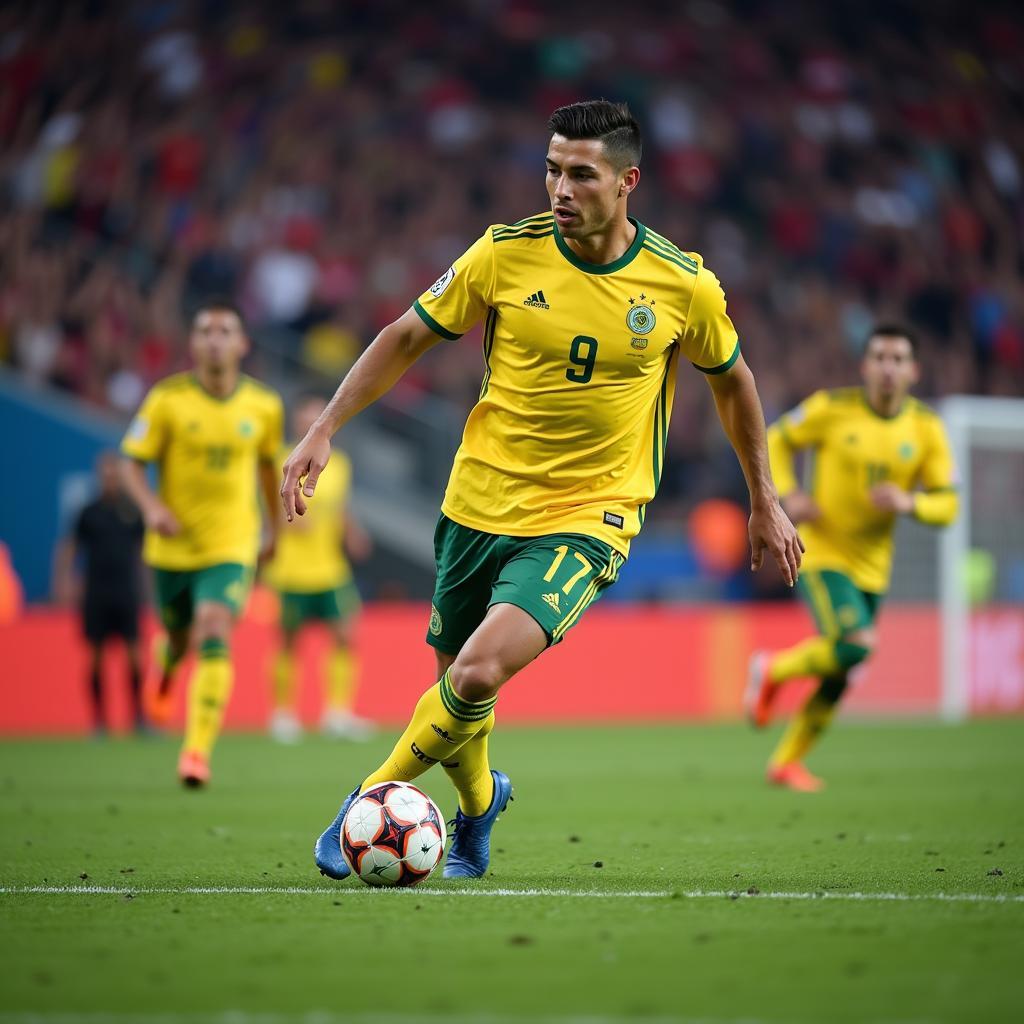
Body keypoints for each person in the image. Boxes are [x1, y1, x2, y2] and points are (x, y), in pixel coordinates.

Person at [281, 100, 802, 880]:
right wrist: (325, 427)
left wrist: (763, 495)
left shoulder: (682, 284)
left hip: (589, 514)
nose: (560, 187)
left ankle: (365, 800)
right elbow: (405, 337)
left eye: (581, 174)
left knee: (477, 673)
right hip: (476, 503)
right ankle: (479, 805)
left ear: (627, 182)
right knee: (459, 694)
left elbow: (735, 383)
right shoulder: (503, 254)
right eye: (553, 169)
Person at [745, 325, 958, 791]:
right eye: (879, 357)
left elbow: (948, 505)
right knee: (858, 644)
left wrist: (910, 503)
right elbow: (777, 438)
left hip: (875, 564)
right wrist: (787, 496)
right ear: (864, 366)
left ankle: (785, 762)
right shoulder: (831, 409)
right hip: (824, 551)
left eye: (898, 359)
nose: (887, 367)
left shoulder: (925, 429)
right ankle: (772, 670)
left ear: (913, 371)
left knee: (844, 667)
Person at [120, 300, 283, 786]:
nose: (214, 338)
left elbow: (267, 468)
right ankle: (166, 661)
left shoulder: (264, 405)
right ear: (193, 344)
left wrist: (273, 529)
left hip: (231, 544)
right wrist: (151, 508)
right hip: (171, 547)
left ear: (241, 345)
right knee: (178, 635)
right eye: (204, 330)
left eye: (224, 330)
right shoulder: (166, 400)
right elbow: (130, 461)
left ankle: (195, 752)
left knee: (213, 628)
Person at [262, 394, 373, 743]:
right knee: (288, 642)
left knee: (345, 636)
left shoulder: (339, 464)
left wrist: (352, 531)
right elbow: (269, 507)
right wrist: (285, 521)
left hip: (331, 568)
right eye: (306, 414)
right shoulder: (281, 460)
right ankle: (283, 714)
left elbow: (338, 507)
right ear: (296, 422)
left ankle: (337, 713)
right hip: (290, 570)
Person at [52, 451, 146, 735]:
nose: (110, 479)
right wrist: (64, 581)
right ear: (99, 476)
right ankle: (99, 720)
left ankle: (139, 718)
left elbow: (146, 551)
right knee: (94, 657)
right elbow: (69, 547)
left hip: (126, 592)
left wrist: (150, 585)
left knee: (135, 656)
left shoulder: (132, 511)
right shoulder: (88, 512)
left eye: (114, 473)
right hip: (96, 593)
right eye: (105, 474)